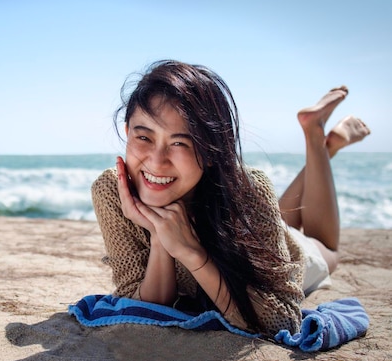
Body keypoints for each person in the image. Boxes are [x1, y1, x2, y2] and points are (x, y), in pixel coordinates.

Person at [91, 60, 371, 336]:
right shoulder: (113, 190)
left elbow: (281, 320)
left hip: (283, 252)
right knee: (279, 216)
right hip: (257, 228)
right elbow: (142, 306)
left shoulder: (250, 190)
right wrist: (160, 237)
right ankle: (325, 143)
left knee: (327, 249)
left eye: (180, 143)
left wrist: (191, 252)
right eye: (144, 138)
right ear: (128, 132)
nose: (157, 161)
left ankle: (317, 138)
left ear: (211, 150)